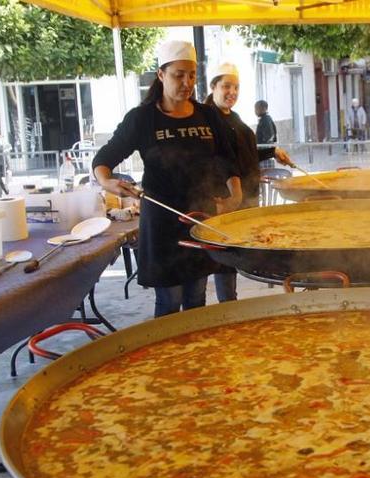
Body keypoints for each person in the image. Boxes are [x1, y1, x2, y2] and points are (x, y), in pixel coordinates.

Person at [92, 40, 243, 318]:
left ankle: (196, 355)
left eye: (192, 75)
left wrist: (236, 194)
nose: (186, 82)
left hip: (201, 216)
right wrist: (107, 181)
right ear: (161, 75)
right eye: (178, 75)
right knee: (170, 300)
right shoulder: (142, 118)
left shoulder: (208, 115)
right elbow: (104, 159)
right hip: (162, 219)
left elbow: (228, 160)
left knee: (197, 296)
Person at [205, 62, 293, 301]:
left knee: (231, 258)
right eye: (226, 86)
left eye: (236, 87)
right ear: (213, 86)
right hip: (225, 199)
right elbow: (220, 159)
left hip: (246, 197)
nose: (231, 92)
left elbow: (244, 153)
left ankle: (229, 301)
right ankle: (226, 306)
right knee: (222, 256)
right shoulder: (206, 119)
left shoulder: (233, 116)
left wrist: (271, 152)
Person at [255, 100, 278, 169]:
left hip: (266, 156)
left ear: (264, 108)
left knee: (267, 175)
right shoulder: (264, 119)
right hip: (265, 154)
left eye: (257, 108)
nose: (255, 111)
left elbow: (269, 138)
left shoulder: (266, 120)